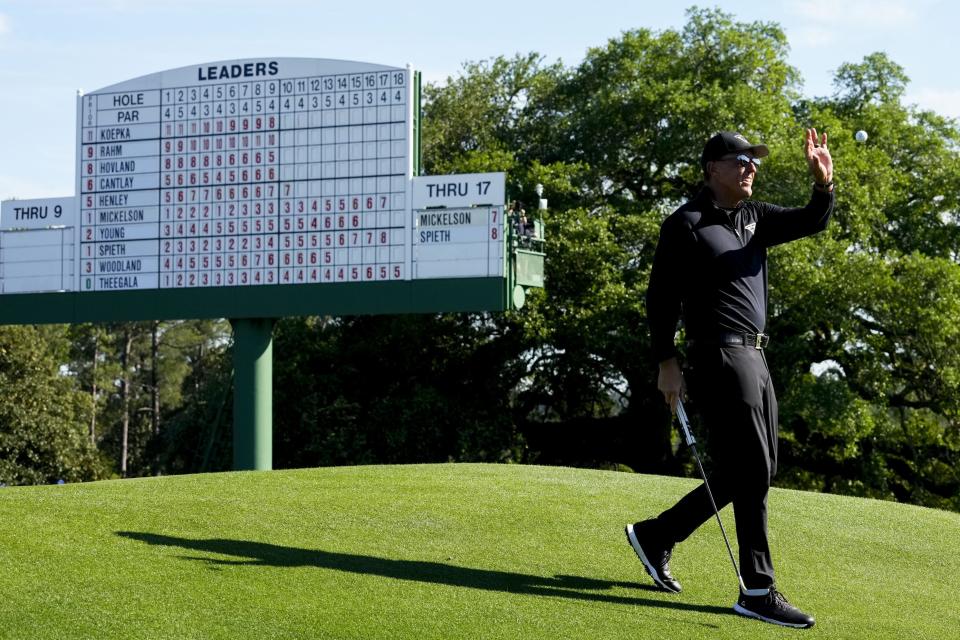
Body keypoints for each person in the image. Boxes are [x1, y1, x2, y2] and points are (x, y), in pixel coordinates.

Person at [626, 129, 834, 629]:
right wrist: (666, 360)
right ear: (712, 168)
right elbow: (660, 299)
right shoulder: (686, 224)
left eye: (753, 160)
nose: (750, 167)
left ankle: (658, 535)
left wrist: (823, 185)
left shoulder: (754, 217)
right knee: (753, 471)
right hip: (717, 356)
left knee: (755, 468)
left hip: (757, 357)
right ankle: (758, 589)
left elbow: (810, 222)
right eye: (740, 159)